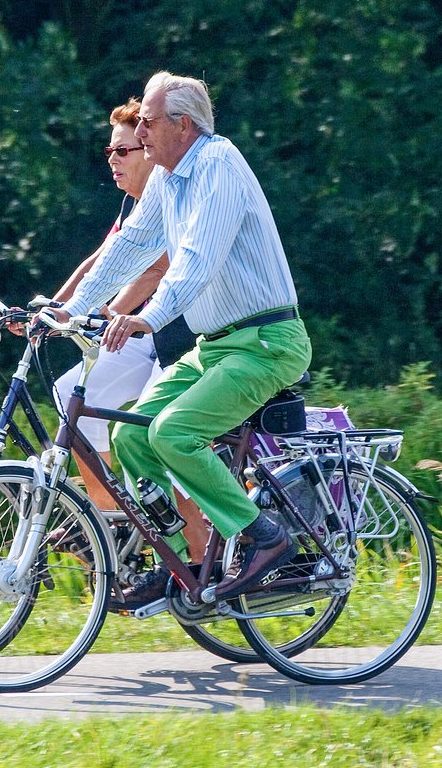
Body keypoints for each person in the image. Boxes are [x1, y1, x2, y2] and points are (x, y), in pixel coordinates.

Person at [57, 71, 312, 611]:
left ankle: (265, 537)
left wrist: (150, 317)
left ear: (182, 124)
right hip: (218, 345)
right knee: (131, 437)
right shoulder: (169, 180)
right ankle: (184, 568)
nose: (140, 130)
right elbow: (126, 252)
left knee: (173, 434)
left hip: (267, 341)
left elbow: (196, 259)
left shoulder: (218, 166)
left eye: (147, 121)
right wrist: (68, 310)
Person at [32, 100, 211, 558]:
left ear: (150, 152)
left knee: (155, 431)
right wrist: (59, 306)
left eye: (124, 151)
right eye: (109, 151)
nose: (112, 159)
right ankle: (111, 523)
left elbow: (158, 267)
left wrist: (106, 312)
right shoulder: (134, 205)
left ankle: (196, 561)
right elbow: (103, 256)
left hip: (181, 335)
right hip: (143, 334)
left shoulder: (173, 192)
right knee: (70, 393)